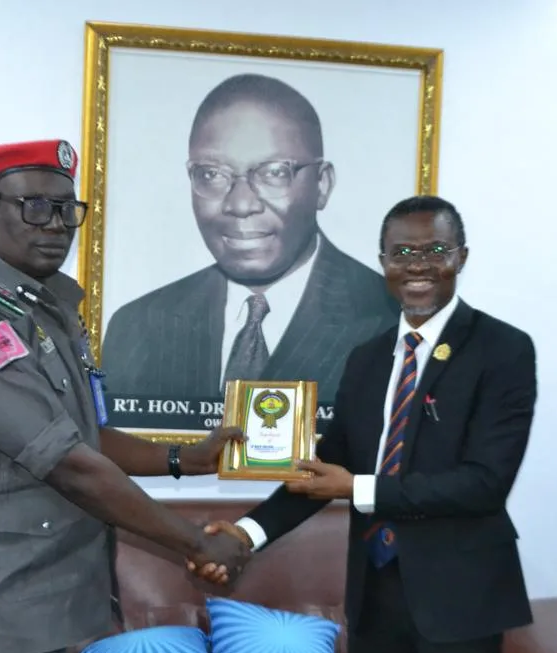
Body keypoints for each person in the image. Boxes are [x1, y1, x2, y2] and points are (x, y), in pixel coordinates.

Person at [0, 139, 251, 653]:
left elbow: (85, 434)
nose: (56, 224)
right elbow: (71, 466)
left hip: (36, 596)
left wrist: (188, 457)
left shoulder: (44, 311)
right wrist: (196, 542)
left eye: (67, 209)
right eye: (35, 207)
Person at [190, 195, 537, 653]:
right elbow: (325, 468)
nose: (417, 265)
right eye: (401, 253)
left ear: (461, 257)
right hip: (376, 596)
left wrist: (356, 488)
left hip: (459, 599)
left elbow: (483, 483)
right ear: (383, 264)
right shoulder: (368, 358)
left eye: (435, 249)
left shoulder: (503, 350)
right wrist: (246, 533)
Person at [101, 73, 400, 404]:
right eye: (211, 175)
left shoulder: (390, 320)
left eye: (274, 172)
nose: (241, 204)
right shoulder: (138, 327)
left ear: (322, 185)